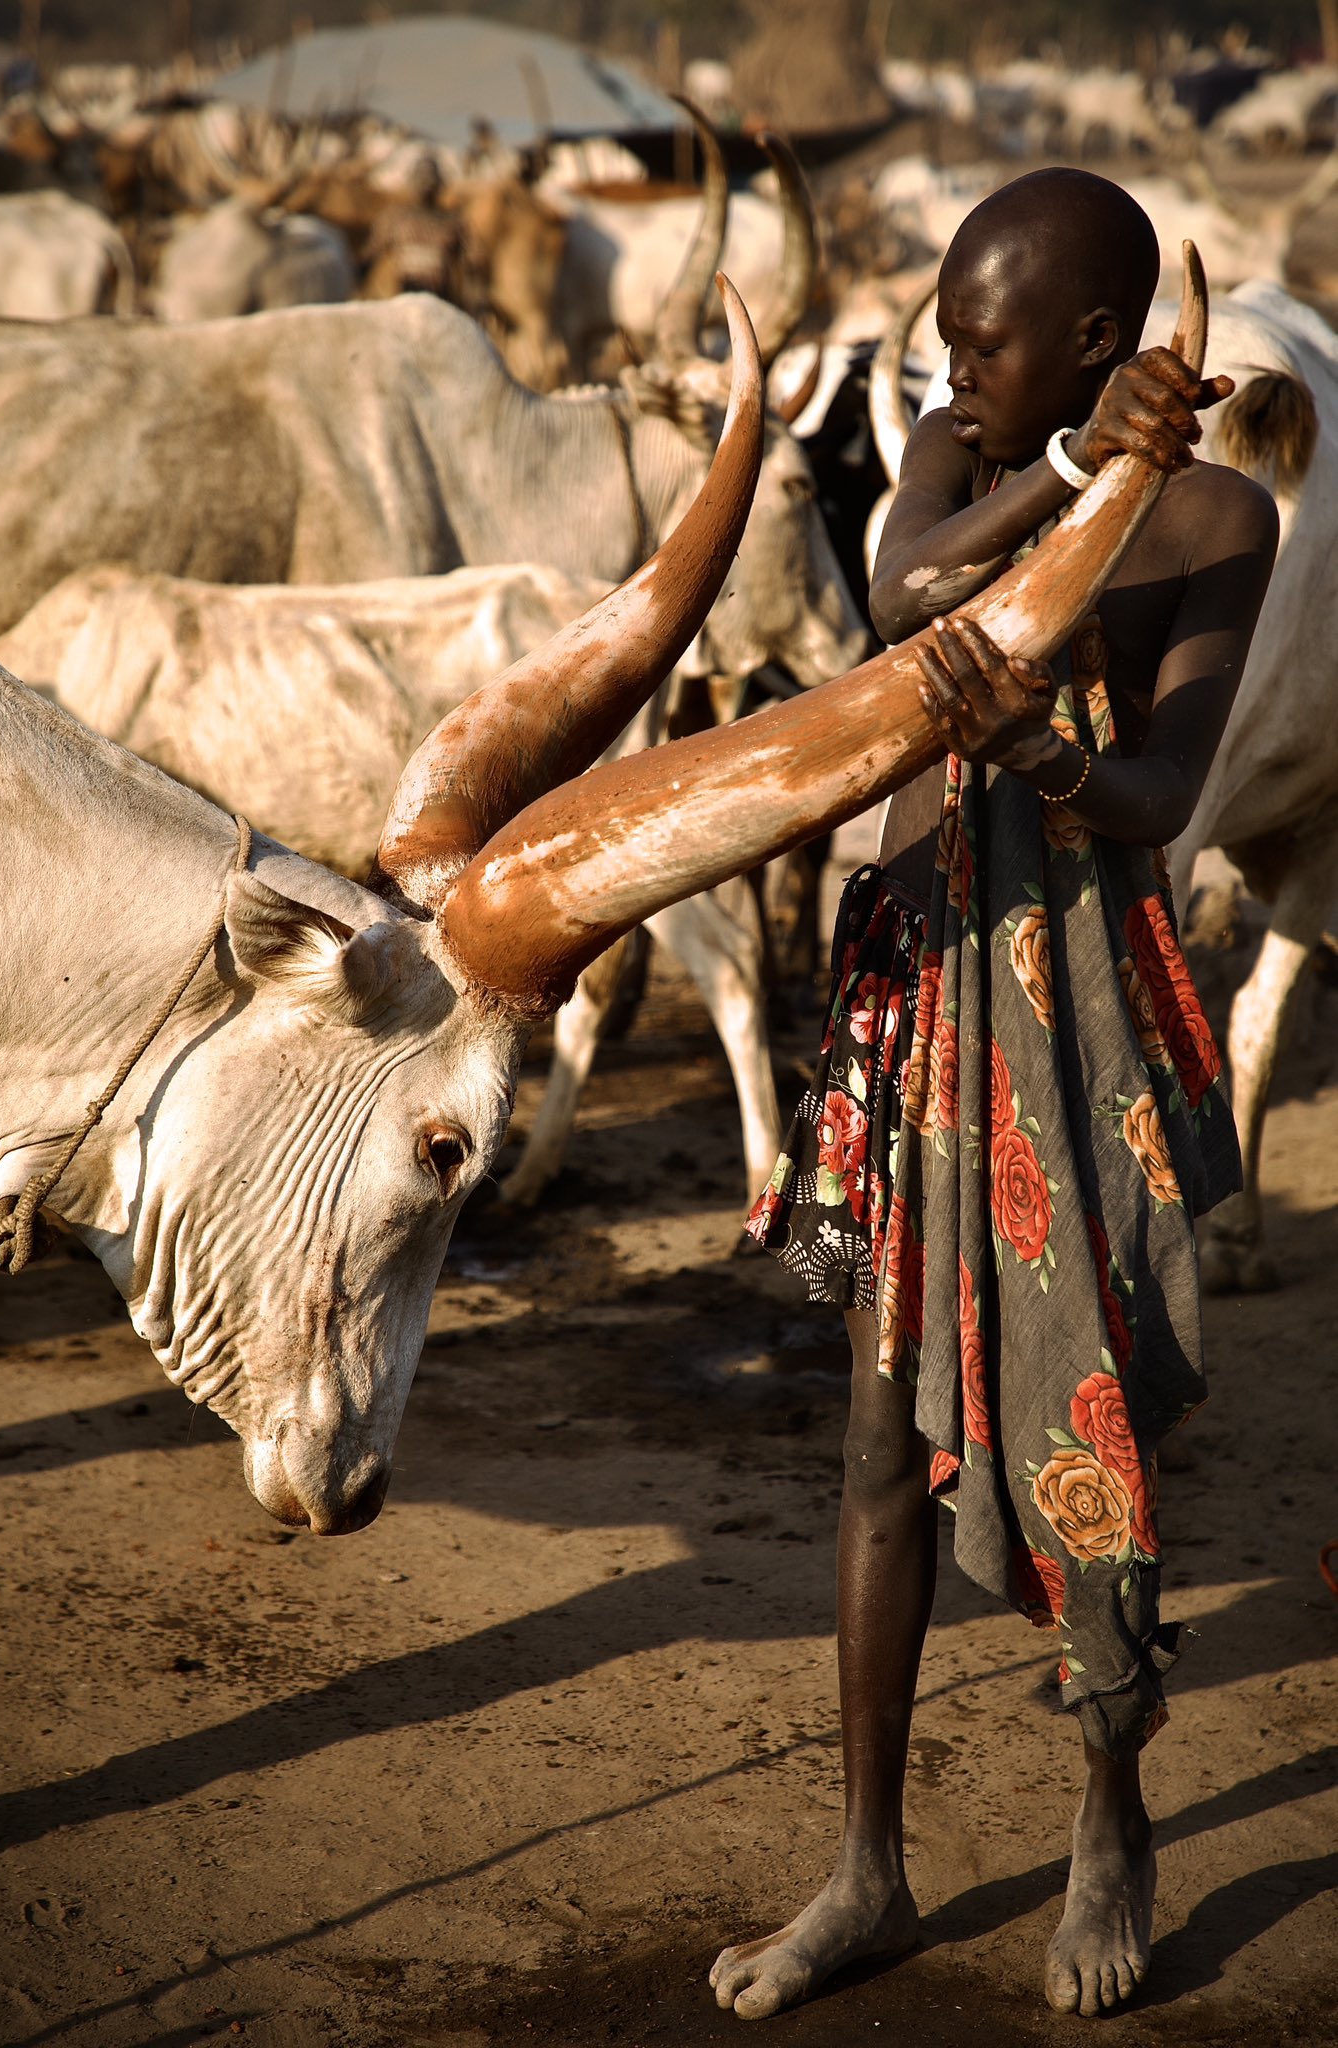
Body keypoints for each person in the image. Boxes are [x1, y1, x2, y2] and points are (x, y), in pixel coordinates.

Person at [717, 168, 1279, 2022]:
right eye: (947, 339)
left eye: (984, 338)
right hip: (923, 989)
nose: (951, 370)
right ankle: (866, 1869)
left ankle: (1110, 1810)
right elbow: (904, 579)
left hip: (1083, 1022)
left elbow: (1165, 794)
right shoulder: (969, 476)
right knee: (877, 1447)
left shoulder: (1213, 514)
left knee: (1087, 1426)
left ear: (1099, 341)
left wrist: (1037, 745)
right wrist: (1057, 466)